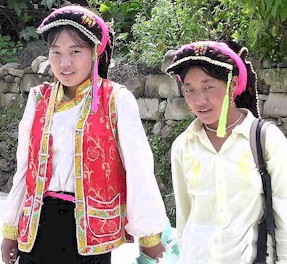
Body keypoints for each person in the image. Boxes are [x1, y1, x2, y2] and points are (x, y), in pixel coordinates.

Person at [1, 5, 167, 264]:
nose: (64, 63)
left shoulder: (116, 100)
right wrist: (11, 228)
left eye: (75, 52)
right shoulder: (39, 99)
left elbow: (138, 168)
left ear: (94, 53)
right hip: (38, 227)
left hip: (90, 234)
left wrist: (149, 236)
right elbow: (25, 167)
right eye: (56, 53)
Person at [165, 40, 287, 263]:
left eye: (208, 86)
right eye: (189, 90)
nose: (199, 100)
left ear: (233, 85)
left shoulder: (264, 139)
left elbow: (284, 214)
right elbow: (185, 217)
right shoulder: (183, 146)